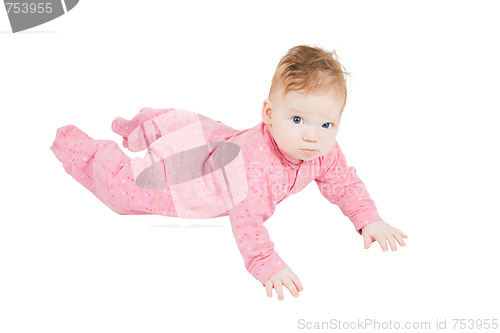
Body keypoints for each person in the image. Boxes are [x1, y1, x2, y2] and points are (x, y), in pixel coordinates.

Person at [50, 45, 408, 301]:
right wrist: (267, 264)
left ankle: (146, 126)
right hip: (206, 180)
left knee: (194, 127)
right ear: (269, 112)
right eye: (297, 120)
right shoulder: (256, 171)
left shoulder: (321, 150)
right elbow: (246, 220)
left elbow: (343, 181)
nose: (313, 135)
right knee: (125, 191)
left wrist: (368, 218)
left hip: (227, 141)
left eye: (327, 123)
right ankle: (83, 148)